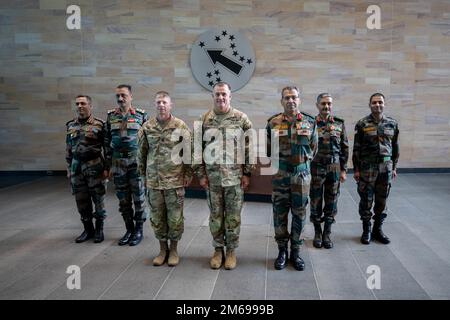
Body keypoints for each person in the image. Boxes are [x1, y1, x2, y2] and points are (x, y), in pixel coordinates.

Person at [195, 82, 254, 270]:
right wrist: (200, 174)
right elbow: (196, 149)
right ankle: (218, 250)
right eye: (217, 94)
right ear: (213, 96)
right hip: (212, 180)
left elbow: (249, 148)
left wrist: (247, 173)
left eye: (224, 94)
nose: (220, 98)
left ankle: (231, 251)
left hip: (235, 178)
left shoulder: (241, 119)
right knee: (215, 216)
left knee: (233, 216)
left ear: (230, 96)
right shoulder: (204, 119)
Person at [137, 91, 192, 266]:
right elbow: (142, 152)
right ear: (155, 105)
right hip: (153, 181)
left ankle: (174, 250)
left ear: (171, 105)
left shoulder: (180, 126)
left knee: (175, 218)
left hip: (174, 181)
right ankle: (162, 249)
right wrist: (143, 175)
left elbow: (188, 153)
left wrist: (188, 174)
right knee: (157, 217)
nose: (161, 105)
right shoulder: (147, 127)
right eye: (158, 102)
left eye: (164, 102)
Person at [266, 86, 318, 271]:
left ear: (299, 100)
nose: (290, 100)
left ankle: (295, 252)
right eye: (286, 98)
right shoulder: (273, 123)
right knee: (279, 214)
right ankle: (282, 251)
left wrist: (301, 165)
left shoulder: (310, 122)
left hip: (301, 176)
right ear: (281, 101)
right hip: (281, 176)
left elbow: (314, 148)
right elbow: (268, 150)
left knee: (299, 214)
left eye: (294, 97)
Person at [353, 93, 399, 245]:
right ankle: (366, 230)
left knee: (382, 200)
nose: (377, 105)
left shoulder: (392, 123)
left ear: (384, 104)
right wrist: (357, 170)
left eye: (380, 102)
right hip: (368, 168)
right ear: (370, 104)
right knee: (366, 200)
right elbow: (356, 149)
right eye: (374, 102)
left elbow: (395, 147)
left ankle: (378, 230)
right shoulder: (362, 124)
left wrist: (394, 167)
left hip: (386, 168)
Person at [105, 84, 149, 246]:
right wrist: (108, 165)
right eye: (118, 96)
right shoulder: (111, 117)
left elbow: (147, 143)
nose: (120, 99)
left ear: (131, 96)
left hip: (135, 162)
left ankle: (138, 230)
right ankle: (128, 229)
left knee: (138, 197)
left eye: (123, 95)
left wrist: (146, 165)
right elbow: (106, 142)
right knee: (123, 198)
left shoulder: (141, 115)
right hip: (118, 164)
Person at [66, 95, 109, 243]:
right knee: (81, 201)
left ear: (90, 105)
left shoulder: (99, 124)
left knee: (98, 200)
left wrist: (106, 169)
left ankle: (99, 229)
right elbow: (68, 149)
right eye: (77, 103)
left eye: (83, 103)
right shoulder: (71, 125)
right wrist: (68, 168)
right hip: (77, 169)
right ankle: (87, 229)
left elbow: (107, 148)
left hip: (95, 167)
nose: (79, 106)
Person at [310, 93, 349, 249]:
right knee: (315, 200)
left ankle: (327, 232)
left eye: (329, 104)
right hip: (316, 167)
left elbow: (345, 148)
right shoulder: (310, 123)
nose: (326, 106)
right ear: (317, 105)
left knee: (332, 200)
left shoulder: (339, 124)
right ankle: (317, 232)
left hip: (334, 167)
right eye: (323, 104)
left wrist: (344, 170)